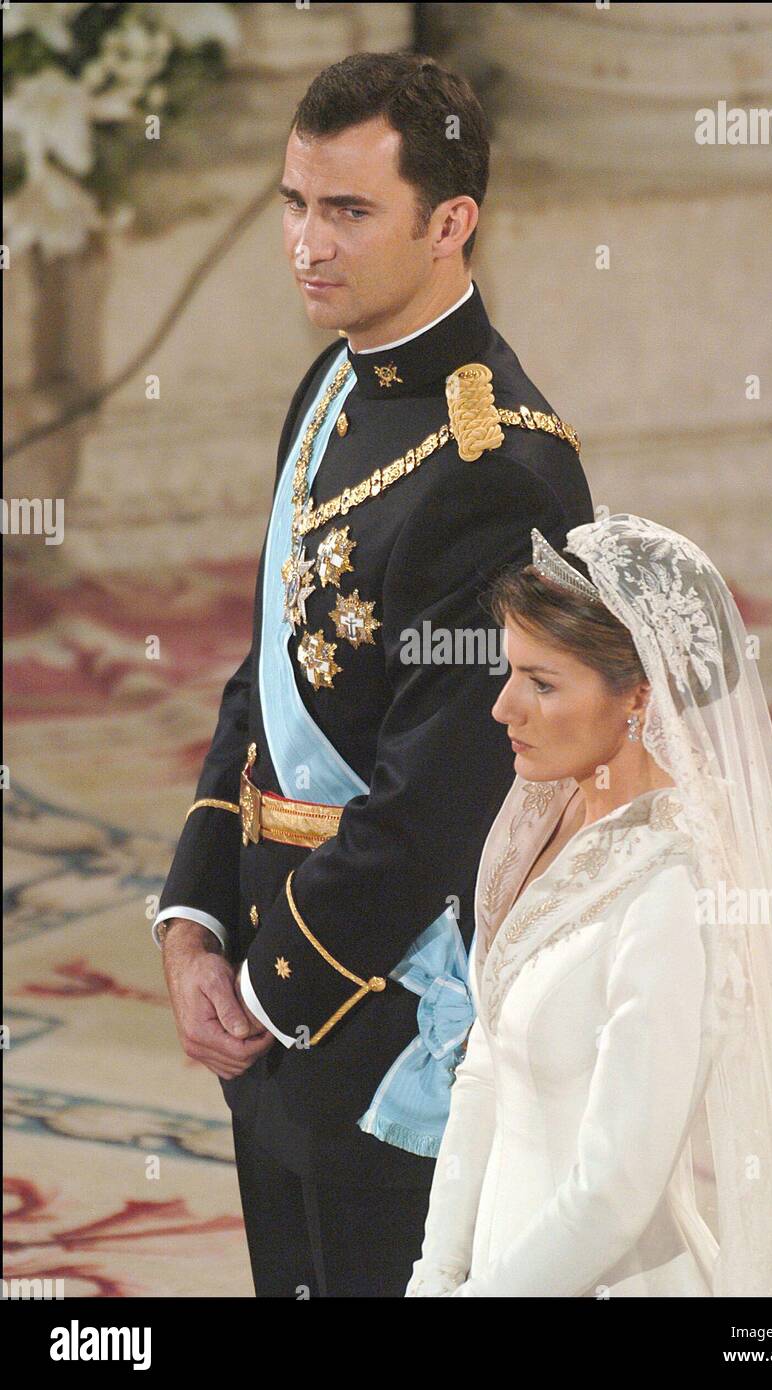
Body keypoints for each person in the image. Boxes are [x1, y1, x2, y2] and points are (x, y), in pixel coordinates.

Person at [151, 51, 592, 1297]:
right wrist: (192, 914)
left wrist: (265, 985)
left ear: (451, 222)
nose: (306, 243)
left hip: (387, 1017)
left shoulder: (498, 463)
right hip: (268, 985)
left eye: (347, 211)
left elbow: (440, 799)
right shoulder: (333, 382)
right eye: (294, 203)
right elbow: (265, 673)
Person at [406, 511, 772, 1297]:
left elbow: (615, 1191)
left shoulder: (672, 892)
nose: (503, 708)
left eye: (541, 683)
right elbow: (485, 1070)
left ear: (640, 697)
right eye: (510, 673)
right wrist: (437, 1270)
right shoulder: (538, 809)